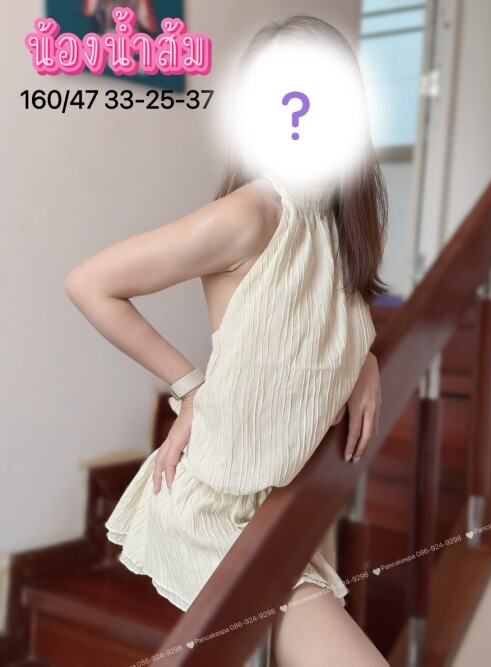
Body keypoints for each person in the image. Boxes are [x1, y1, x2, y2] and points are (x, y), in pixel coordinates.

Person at [65, 14, 389, 667]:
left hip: (276, 509)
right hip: (214, 511)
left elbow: (319, 334)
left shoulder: (338, 230)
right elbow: (90, 283)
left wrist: (367, 360)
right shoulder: (253, 213)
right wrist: (191, 387)